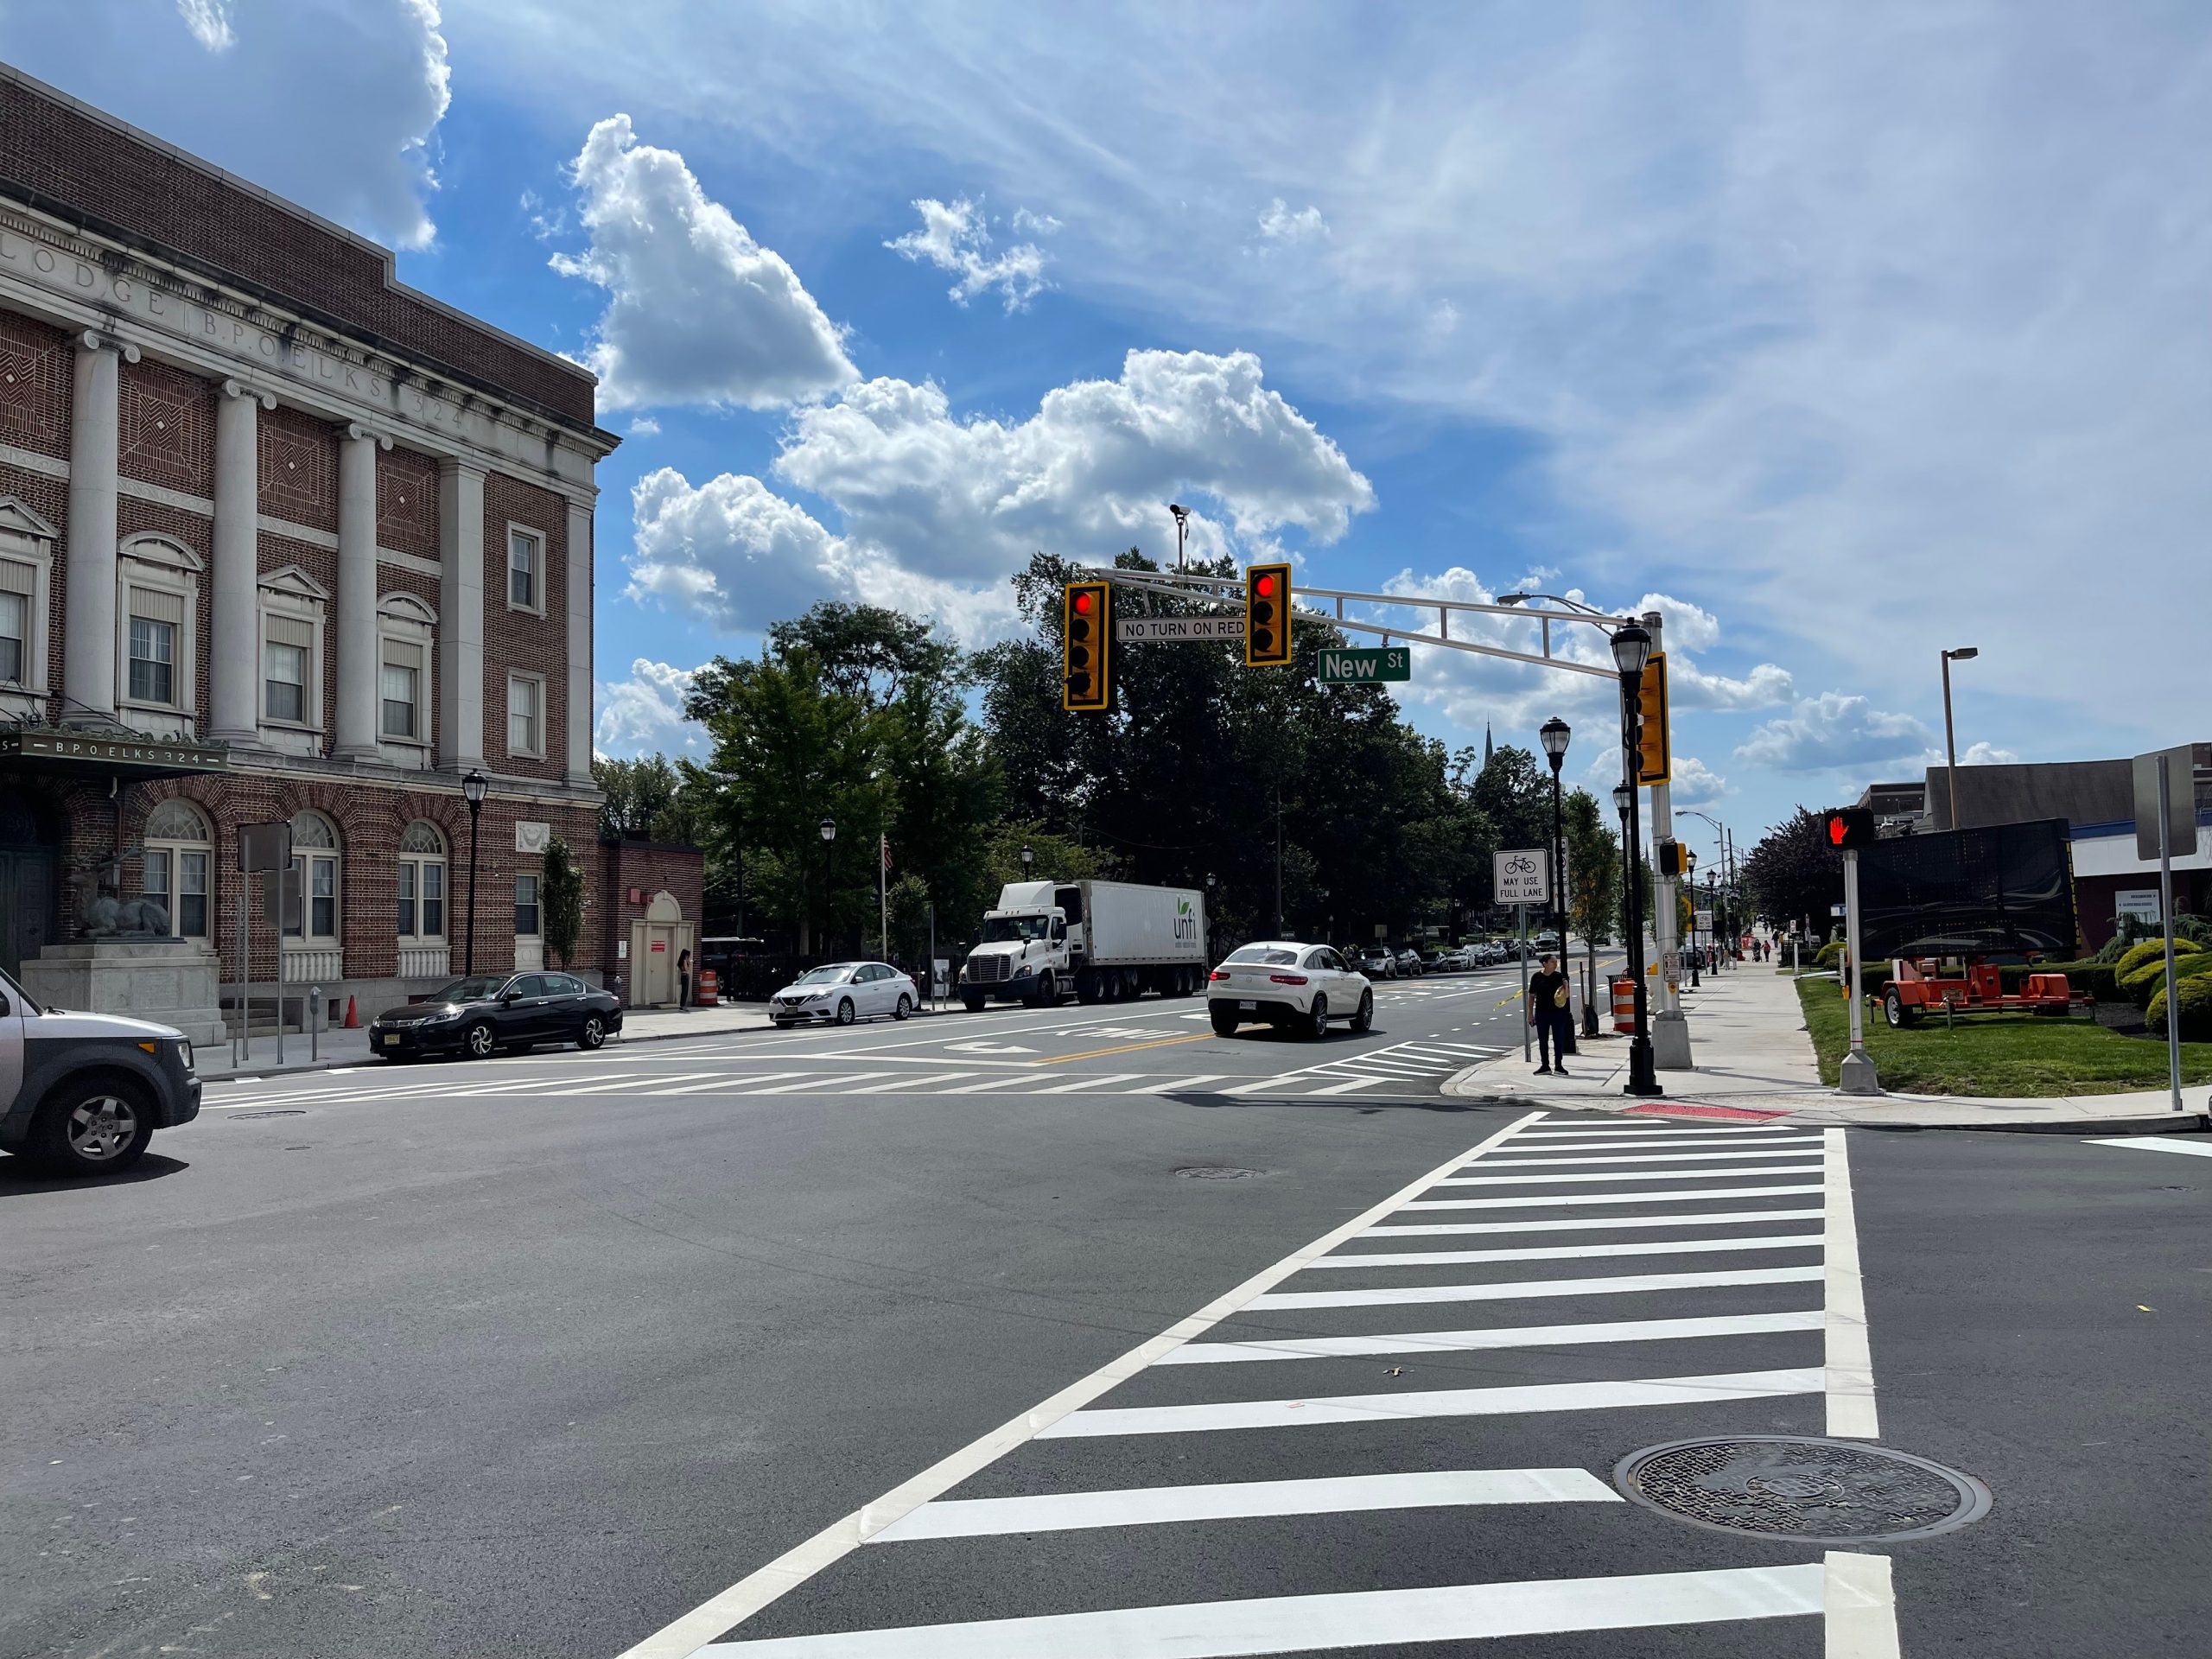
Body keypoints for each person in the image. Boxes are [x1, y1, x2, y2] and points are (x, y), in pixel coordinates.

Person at [1528, 952, 1573, 1075]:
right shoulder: (1536, 977)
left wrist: (1566, 985)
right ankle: (1545, 1066)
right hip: (1542, 1013)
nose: (1556, 963)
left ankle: (1558, 1065)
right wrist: (1530, 1014)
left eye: (1556, 961)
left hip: (1558, 1013)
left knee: (1558, 1039)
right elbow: (1532, 996)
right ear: (1545, 964)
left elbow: (1566, 995)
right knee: (1543, 1040)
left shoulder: (1559, 976)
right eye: (1553, 961)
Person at [677, 946, 693, 1010]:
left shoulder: (680, 961)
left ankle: (682, 1005)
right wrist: (689, 964)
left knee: (683, 991)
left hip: (682, 976)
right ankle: (683, 1006)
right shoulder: (684, 961)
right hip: (686, 976)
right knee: (685, 992)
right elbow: (687, 969)